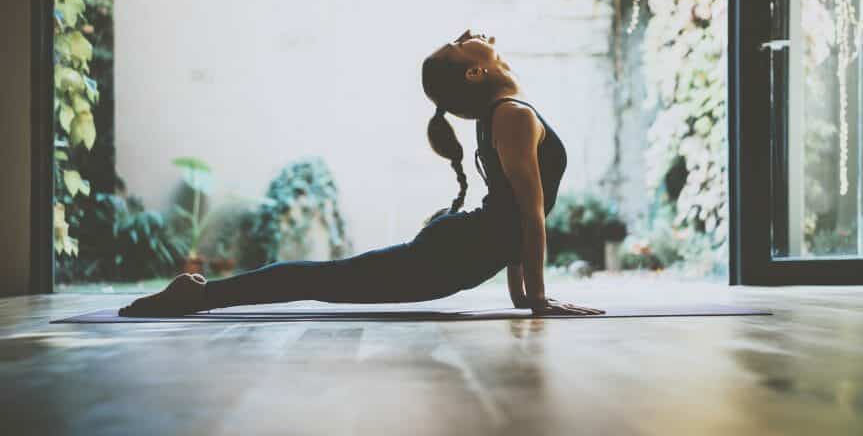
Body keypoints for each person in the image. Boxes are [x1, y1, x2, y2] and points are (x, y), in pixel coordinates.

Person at [119, 29, 604, 317]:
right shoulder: (512, 115)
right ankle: (200, 294)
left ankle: (202, 294)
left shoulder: (503, 114)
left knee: (325, 280)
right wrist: (535, 298)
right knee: (320, 280)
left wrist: (523, 296)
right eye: (461, 43)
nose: (476, 36)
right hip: (452, 256)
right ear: (475, 73)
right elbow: (527, 213)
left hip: (459, 253)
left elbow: (514, 215)